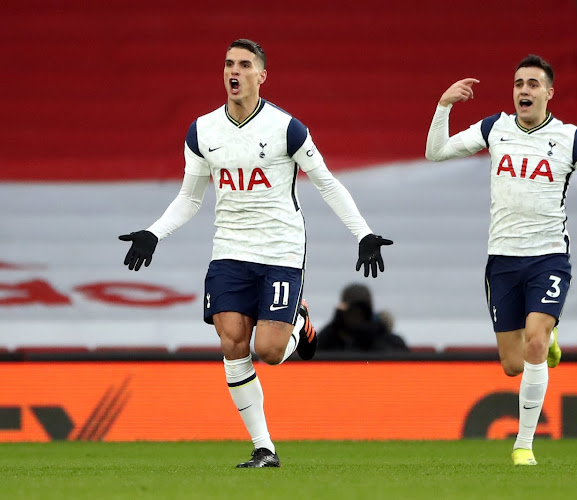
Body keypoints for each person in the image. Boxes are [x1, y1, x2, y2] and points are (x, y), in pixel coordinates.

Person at [118, 39, 393, 468]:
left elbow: (326, 182)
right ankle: (264, 447)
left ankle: (298, 322)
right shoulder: (203, 130)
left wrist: (364, 233)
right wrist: (155, 233)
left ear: (261, 76)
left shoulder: (287, 128)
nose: (235, 71)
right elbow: (190, 199)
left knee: (267, 349)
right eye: (229, 64)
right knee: (232, 343)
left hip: (280, 248)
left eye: (245, 65)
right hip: (229, 249)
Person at [425, 54, 577, 466]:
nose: (524, 91)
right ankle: (548, 338)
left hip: (548, 257)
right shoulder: (494, 128)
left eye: (533, 84)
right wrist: (444, 105)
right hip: (502, 260)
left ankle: (523, 445)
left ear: (549, 93)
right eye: (519, 84)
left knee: (532, 339)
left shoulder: (569, 139)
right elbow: (436, 152)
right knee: (513, 365)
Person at [318, 283, 409, 353]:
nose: (355, 316)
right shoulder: (332, 339)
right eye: (350, 311)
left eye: (361, 311)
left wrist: (369, 338)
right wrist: (334, 327)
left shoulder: (389, 340)